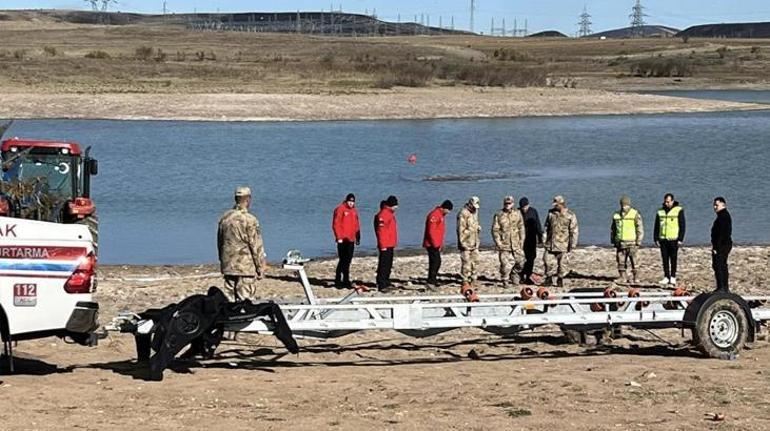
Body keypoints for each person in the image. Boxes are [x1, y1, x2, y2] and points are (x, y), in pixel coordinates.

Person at [217, 186, 265, 301]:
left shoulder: (225, 218)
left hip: (228, 265)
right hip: (245, 268)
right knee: (245, 302)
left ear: (235, 199)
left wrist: (222, 261)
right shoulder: (250, 220)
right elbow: (256, 245)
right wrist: (260, 267)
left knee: (229, 302)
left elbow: (219, 242)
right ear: (248, 199)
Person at [542, 195, 579, 287]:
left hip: (563, 244)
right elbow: (546, 227)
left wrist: (573, 244)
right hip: (550, 243)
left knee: (562, 265)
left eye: (556, 205)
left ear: (561, 204)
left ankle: (560, 279)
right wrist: (544, 238)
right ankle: (549, 279)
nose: (555, 206)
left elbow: (574, 231)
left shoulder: (570, 215)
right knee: (547, 261)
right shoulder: (551, 214)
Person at [492, 196, 525, 288]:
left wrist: (522, 240)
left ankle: (514, 274)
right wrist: (498, 242)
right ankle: (505, 280)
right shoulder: (499, 214)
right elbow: (495, 230)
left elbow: (521, 227)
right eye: (506, 203)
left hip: (516, 244)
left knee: (521, 262)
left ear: (513, 204)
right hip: (504, 244)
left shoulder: (517, 214)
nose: (507, 205)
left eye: (509, 203)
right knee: (505, 265)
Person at [611, 195, 644, 284]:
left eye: (626, 205)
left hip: (632, 243)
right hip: (620, 243)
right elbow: (613, 229)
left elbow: (639, 228)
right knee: (621, 262)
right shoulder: (616, 215)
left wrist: (639, 241)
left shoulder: (635, 214)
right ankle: (622, 277)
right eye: (623, 205)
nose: (624, 207)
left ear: (629, 205)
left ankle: (636, 278)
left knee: (634, 262)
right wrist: (613, 240)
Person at [654, 193, 686, 286]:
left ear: (672, 201)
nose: (667, 203)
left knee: (673, 258)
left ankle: (673, 276)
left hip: (674, 239)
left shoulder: (678, 210)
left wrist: (680, 238)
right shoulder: (660, 211)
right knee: (664, 259)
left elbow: (682, 225)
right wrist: (656, 238)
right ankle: (666, 276)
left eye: (668, 201)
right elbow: (657, 226)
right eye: (665, 201)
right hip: (663, 239)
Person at [423, 200, 454, 289]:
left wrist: (440, 243)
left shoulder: (440, 215)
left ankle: (432, 280)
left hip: (436, 243)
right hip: (431, 244)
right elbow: (431, 231)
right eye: (448, 210)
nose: (448, 213)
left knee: (436, 262)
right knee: (435, 262)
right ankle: (431, 282)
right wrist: (435, 244)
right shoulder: (435, 215)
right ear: (444, 208)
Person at [332, 193, 360, 289]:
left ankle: (346, 279)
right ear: (346, 200)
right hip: (342, 239)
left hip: (351, 239)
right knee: (343, 260)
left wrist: (358, 235)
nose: (351, 203)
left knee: (348, 260)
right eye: (350, 201)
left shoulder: (354, 211)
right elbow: (336, 224)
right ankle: (338, 279)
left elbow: (356, 224)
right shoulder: (340, 209)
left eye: (353, 201)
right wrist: (338, 237)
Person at [375, 195, 399, 292]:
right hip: (385, 244)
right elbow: (381, 231)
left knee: (388, 264)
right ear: (391, 205)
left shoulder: (389, 213)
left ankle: (386, 281)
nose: (396, 207)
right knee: (384, 264)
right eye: (395, 205)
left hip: (390, 243)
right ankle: (382, 284)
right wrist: (383, 245)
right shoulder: (383, 214)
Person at [457, 196, 482, 286]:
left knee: (476, 261)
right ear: (470, 204)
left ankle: (474, 278)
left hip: (475, 242)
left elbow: (475, 223)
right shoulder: (463, 213)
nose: (475, 208)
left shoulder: (475, 211)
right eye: (474, 206)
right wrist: (463, 243)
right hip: (466, 242)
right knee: (466, 262)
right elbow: (461, 230)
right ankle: (465, 280)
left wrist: (477, 227)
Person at [519, 197, 543, 285]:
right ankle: (521, 275)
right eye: (522, 207)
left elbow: (538, 224)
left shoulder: (533, 211)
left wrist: (540, 237)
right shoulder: (517, 212)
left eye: (525, 207)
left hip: (531, 238)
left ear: (528, 205)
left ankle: (527, 275)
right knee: (521, 258)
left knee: (532, 257)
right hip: (520, 239)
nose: (523, 209)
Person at [711, 197, 732, 292]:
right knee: (718, 265)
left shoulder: (724, 216)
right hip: (722, 244)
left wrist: (717, 247)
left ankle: (723, 287)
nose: (715, 207)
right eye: (714, 205)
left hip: (722, 245)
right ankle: (721, 287)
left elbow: (722, 234)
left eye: (717, 205)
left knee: (720, 265)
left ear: (723, 205)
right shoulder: (720, 216)